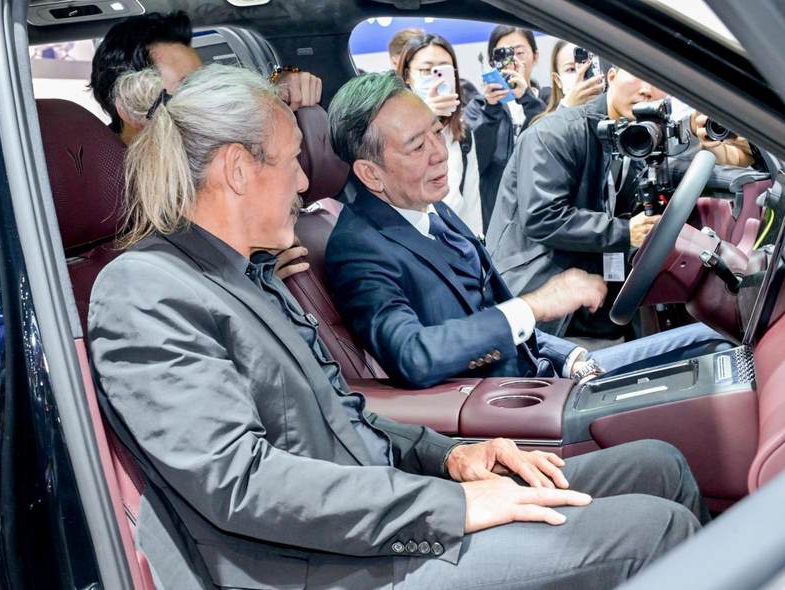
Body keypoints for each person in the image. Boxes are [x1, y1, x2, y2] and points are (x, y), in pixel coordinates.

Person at [90, 62, 706, 590]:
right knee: (659, 530)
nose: (305, 182)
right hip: (328, 564)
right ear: (237, 169)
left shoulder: (252, 273)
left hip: (381, 508)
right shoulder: (146, 290)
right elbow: (242, 485)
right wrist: (451, 505)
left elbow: (343, 416)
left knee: (661, 466)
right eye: (293, 161)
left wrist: (452, 457)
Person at [324, 71, 731, 391]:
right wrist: (536, 305)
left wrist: (568, 356)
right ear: (371, 174)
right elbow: (414, 355)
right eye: (417, 146)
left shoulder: (430, 208)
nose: (439, 152)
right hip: (508, 410)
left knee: (711, 343)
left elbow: (491, 309)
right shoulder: (359, 249)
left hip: (543, 372)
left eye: (436, 131)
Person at [488, 65, 752, 337]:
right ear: (611, 78)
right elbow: (543, 217)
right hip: (539, 303)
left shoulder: (639, 141)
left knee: (706, 335)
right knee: (703, 338)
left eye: (657, 81)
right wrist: (625, 232)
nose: (646, 90)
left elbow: (690, 171)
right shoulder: (555, 133)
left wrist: (720, 145)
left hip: (594, 301)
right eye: (636, 75)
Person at [89, 10, 320, 279]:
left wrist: (281, 80)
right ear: (131, 106)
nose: (208, 96)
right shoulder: (105, 196)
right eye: (189, 87)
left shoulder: (212, 153)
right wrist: (251, 280)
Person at [397, 33, 484, 236]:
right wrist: (424, 118)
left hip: (454, 240)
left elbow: (471, 204)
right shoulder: (392, 133)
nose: (434, 78)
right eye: (426, 70)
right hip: (410, 240)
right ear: (407, 76)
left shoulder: (462, 134)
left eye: (444, 70)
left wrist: (477, 245)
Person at [463, 26, 546, 229]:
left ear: (535, 57)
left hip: (543, 211)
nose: (513, 62)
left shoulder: (548, 100)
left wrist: (528, 100)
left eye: (519, 53)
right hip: (496, 219)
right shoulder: (478, 107)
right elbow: (475, 164)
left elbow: (552, 147)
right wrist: (490, 111)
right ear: (493, 63)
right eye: (503, 55)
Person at [531, 40, 605, 125]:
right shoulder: (542, 125)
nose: (581, 73)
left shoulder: (610, 109)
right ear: (558, 80)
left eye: (588, 66)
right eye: (571, 69)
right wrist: (567, 107)